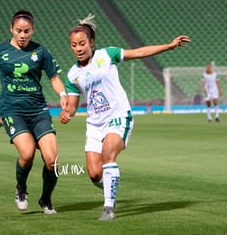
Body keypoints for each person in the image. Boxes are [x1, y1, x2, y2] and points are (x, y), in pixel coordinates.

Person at [59, 14, 190, 221]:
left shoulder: (106, 55)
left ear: (91, 42)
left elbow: (138, 52)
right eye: (73, 45)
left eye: (82, 43)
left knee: (108, 154)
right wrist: (67, 113)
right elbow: (73, 108)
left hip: (118, 116)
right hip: (94, 124)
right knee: (94, 173)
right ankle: (109, 186)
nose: (78, 48)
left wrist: (168, 46)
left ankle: (108, 207)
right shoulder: (72, 75)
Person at [0, 10, 68, 214]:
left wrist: (62, 94)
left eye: (27, 31)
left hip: (38, 110)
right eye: (18, 30)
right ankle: (21, 188)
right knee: (27, 154)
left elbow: (54, 77)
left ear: (32, 30)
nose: (22, 35)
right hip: (13, 110)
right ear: (11, 29)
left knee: (52, 161)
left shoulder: (41, 52)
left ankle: (45, 199)